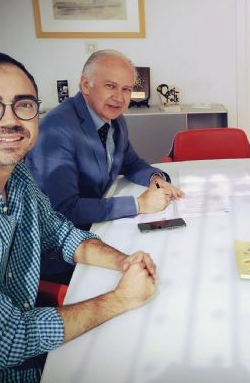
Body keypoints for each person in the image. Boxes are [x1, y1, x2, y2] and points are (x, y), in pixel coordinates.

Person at [0, 51, 158, 382]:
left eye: (23, 104)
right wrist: (120, 299)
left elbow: (61, 233)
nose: (10, 120)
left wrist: (124, 261)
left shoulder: (16, 175)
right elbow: (4, 340)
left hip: (30, 343)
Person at [26, 49, 183, 283]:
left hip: (100, 227)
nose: (119, 98)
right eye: (110, 86)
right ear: (85, 85)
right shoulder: (56, 129)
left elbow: (131, 163)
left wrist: (155, 179)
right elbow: (64, 209)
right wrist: (138, 204)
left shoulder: (115, 120)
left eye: (126, 89)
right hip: (62, 251)